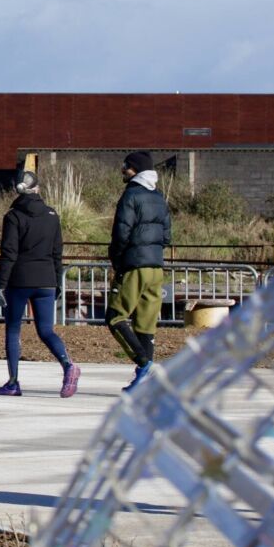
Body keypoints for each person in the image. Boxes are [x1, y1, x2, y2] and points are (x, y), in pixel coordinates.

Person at [0, 171, 78, 398]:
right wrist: (57, 281)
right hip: (46, 279)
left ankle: (13, 382)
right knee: (46, 330)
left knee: (13, 329)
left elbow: (9, 253)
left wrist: (0, 284)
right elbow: (57, 252)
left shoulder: (13, 216)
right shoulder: (52, 215)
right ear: (37, 189)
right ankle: (69, 365)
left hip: (19, 280)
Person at [107, 150, 170, 391]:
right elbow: (167, 236)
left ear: (134, 170)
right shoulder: (159, 196)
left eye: (125, 166)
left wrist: (117, 258)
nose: (123, 170)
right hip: (156, 267)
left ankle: (145, 365)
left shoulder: (130, 195)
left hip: (135, 266)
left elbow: (121, 232)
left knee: (115, 317)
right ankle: (144, 383)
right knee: (146, 325)